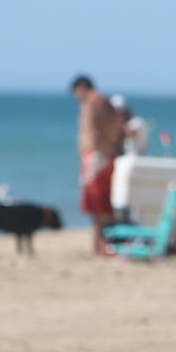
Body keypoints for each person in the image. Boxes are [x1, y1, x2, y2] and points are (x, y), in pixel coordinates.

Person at [70, 75, 125, 254]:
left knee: (96, 202)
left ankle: (99, 244)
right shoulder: (106, 102)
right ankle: (103, 243)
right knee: (103, 201)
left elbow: (92, 131)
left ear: (81, 88)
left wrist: (97, 149)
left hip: (95, 155)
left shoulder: (91, 103)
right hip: (106, 154)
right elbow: (118, 127)